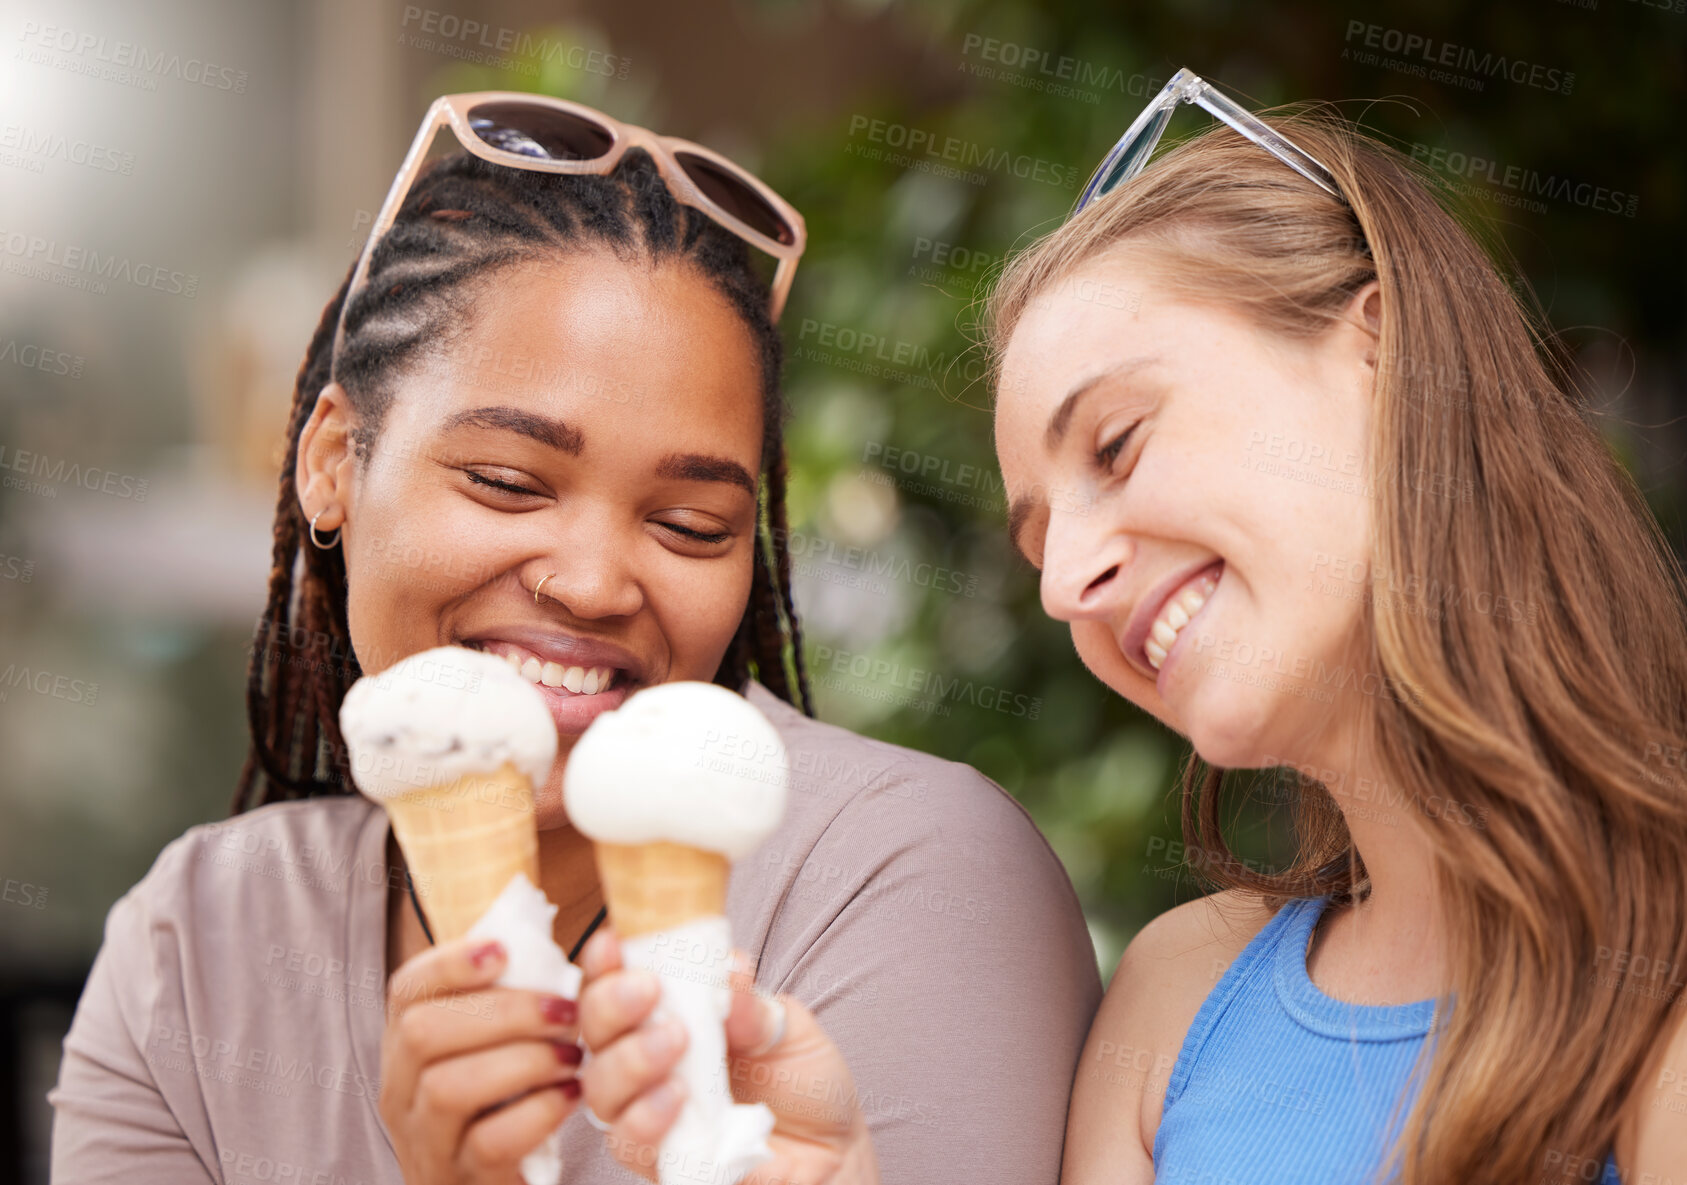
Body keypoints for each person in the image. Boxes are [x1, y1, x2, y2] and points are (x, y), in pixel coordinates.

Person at [578, 73, 1687, 1184]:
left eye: (1116, 446)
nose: (1066, 583)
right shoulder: (1177, 993)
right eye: (1038, 542)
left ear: (1381, 352)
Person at [46, 93, 1102, 1185]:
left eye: (691, 525)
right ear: (332, 461)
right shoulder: (194, 949)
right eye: (507, 482)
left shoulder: (906, 878)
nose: (594, 583)